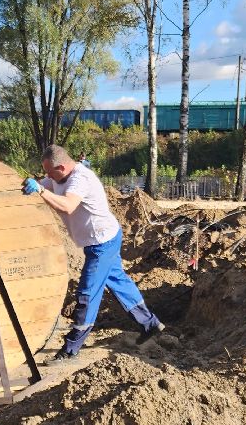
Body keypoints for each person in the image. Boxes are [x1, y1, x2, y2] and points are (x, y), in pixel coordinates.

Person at [23, 144, 164, 358]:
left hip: (102, 242)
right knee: (118, 281)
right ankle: (150, 324)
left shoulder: (80, 179)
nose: (47, 177)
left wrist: (41, 190)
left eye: (50, 173)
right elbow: (42, 184)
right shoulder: (58, 177)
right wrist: (28, 186)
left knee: (87, 293)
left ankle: (70, 350)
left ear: (62, 167)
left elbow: (68, 206)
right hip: (99, 240)